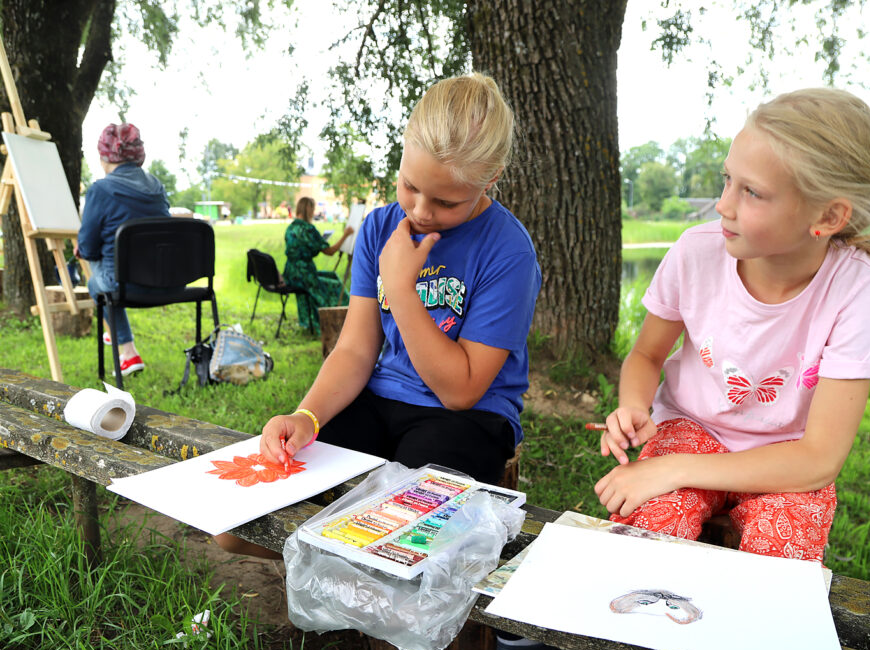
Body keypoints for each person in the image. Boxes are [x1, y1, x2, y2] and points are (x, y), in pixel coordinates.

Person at [215, 73, 542, 560]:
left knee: (398, 543)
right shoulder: (379, 229)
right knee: (236, 525)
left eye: (446, 201)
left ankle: (358, 580)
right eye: (409, 185)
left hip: (467, 419)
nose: (420, 210)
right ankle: (345, 570)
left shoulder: (508, 252)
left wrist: (403, 289)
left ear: (488, 179)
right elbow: (354, 349)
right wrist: (307, 414)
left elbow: (462, 389)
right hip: (378, 401)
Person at [595, 88, 870, 563]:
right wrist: (633, 406)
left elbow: (818, 460)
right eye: (727, 179)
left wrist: (671, 469)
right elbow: (647, 355)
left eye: (751, 191)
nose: (723, 205)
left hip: (786, 455)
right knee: (648, 533)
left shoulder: (858, 284)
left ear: (828, 216)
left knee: (781, 555)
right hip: (690, 427)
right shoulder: (695, 252)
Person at [77, 123, 170, 376]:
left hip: (125, 286)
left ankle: (126, 349)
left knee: (96, 283)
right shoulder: (157, 187)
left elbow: (86, 248)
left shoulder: (100, 189)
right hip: (170, 283)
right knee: (109, 271)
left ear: (105, 156)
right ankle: (117, 338)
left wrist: (83, 249)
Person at [283, 196, 354, 333]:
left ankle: (308, 321)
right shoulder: (309, 229)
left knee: (331, 275)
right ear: (308, 209)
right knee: (335, 285)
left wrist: (317, 243)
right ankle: (340, 319)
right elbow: (330, 251)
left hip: (291, 273)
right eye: (313, 209)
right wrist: (346, 235)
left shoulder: (291, 228)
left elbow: (302, 248)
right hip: (305, 275)